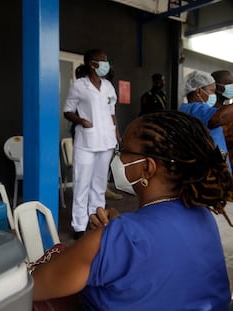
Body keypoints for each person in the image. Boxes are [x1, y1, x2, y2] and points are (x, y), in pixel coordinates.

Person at [32, 110, 233, 310]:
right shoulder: (203, 215)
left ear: (147, 168)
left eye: (123, 151)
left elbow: (32, 287)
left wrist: (103, 237)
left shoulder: (115, 239)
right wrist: (115, 231)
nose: (117, 158)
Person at [63, 49, 121, 239]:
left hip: (106, 141)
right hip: (86, 141)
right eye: (102, 61)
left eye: (107, 60)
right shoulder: (79, 86)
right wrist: (82, 121)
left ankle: (96, 218)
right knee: (82, 184)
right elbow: (68, 111)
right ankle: (79, 226)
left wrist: (117, 135)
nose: (106, 64)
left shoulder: (108, 86)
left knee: (100, 185)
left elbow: (112, 114)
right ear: (91, 64)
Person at [180, 70, 231, 171]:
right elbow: (218, 117)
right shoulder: (194, 109)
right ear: (198, 91)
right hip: (212, 174)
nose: (214, 95)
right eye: (212, 91)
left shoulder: (187, 108)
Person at [212, 70, 233, 165]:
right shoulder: (209, 114)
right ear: (216, 86)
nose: (232, 86)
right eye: (228, 83)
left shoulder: (227, 110)